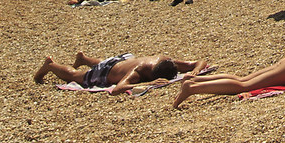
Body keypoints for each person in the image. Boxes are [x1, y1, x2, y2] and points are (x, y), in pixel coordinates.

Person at [34, 50, 206, 93]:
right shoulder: (138, 71)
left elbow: (200, 62)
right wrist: (148, 84)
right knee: (75, 76)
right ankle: (50, 65)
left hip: (122, 60)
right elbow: (117, 89)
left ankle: (84, 59)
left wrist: (195, 72)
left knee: (107, 63)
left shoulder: (165, 61)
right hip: (108, 71)